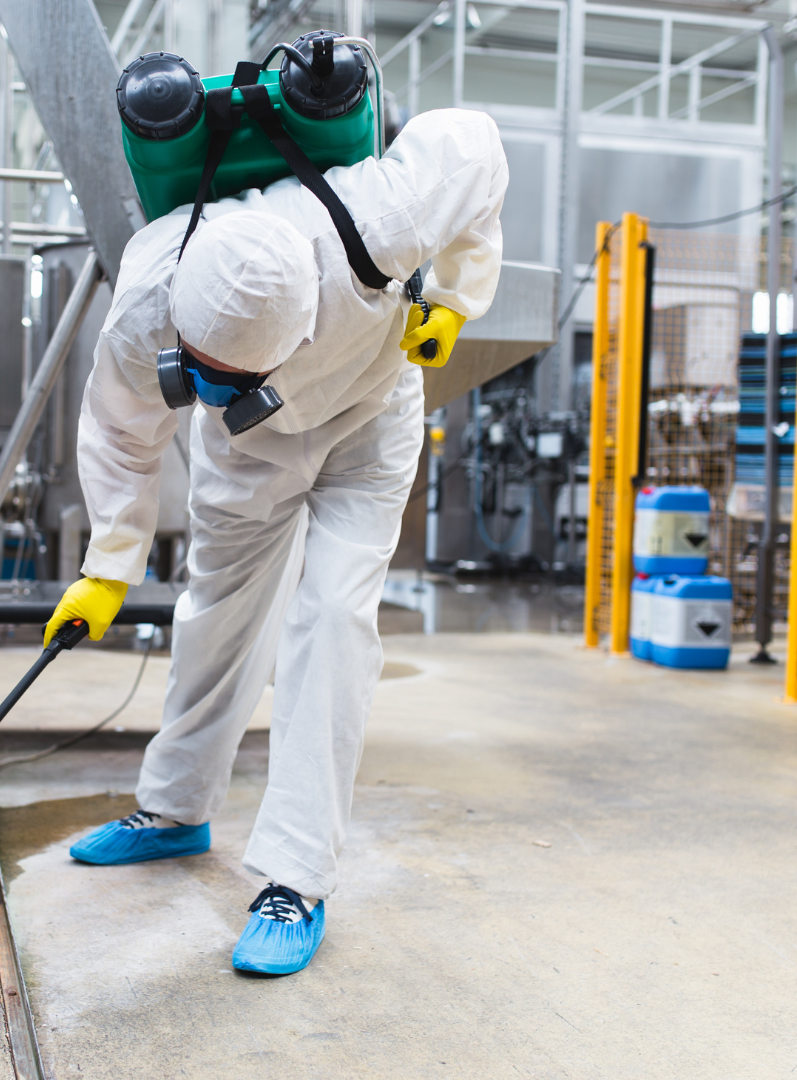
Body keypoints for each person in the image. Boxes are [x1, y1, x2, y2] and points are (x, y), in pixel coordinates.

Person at [44, 106, 507, 975]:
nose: (210, 385)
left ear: (300, 332)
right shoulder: (154, 294)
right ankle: (176, 810)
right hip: (246, 448)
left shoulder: (381, 222)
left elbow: (474, 143)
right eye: (201, 374)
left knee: (332, 620)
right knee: (215, 608)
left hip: (368, 424)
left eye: (235, 378)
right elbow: (118, 432)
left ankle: (296, 876)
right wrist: (109, 566)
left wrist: (453, 294)